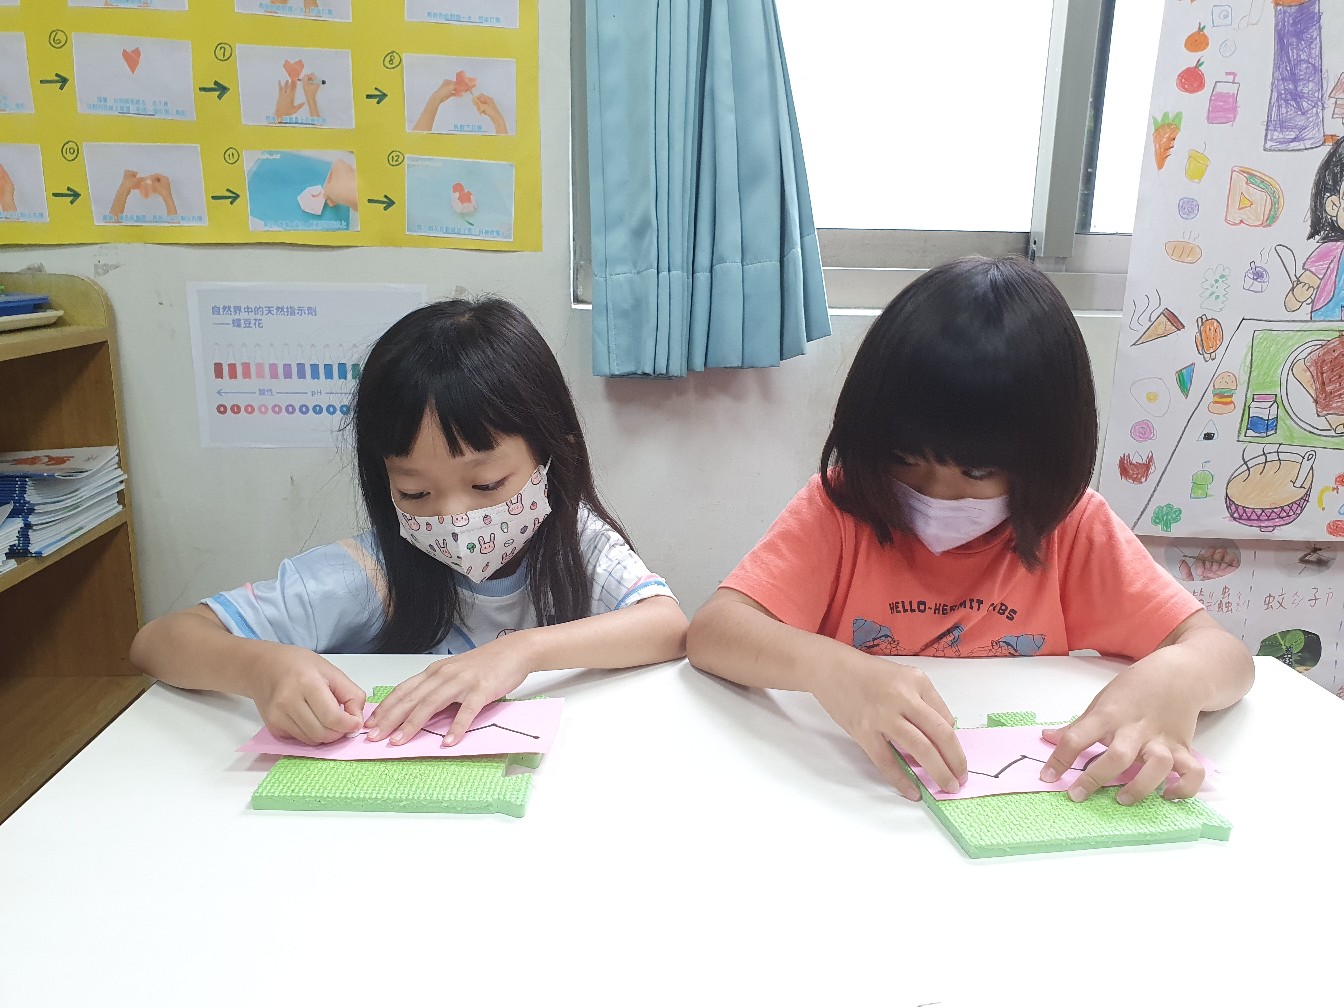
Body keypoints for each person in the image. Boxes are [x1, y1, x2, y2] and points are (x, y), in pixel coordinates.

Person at [687, 256, 1253, 807]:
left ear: (1046, 461)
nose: (938, 492)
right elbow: (713, 633)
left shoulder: (1071, 528)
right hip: (858, 795)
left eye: (978, 473)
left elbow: (1225, 656)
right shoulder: (843, 508)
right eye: (905, 459)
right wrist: (829, 669)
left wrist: (1178, 675)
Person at [131, 298, 687, 747]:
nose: (453, 516)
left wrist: (520, 652)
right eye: (415, 492)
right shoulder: (370, 573)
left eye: (487, 484)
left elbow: (667, 625)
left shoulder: (575, 544)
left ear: (553, 455)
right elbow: (160, 641)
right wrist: (262, 669)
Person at [1286, 136, 1344, 318]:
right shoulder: (1331, 251)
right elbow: (1291, 303)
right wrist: (1297, 296)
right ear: (1333, 205)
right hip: (1327, 326)